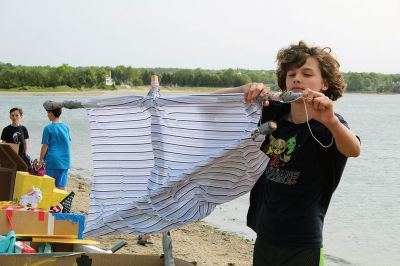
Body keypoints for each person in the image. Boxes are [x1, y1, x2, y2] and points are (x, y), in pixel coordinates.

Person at [213, 41, 361, 265]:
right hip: (265, 233)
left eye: (307, 73)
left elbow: (353, 150)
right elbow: (211, 104)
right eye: (291, 73)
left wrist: (332, 121)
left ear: (324, 84)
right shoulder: (274, 113)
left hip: (303, 242)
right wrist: (242, 90)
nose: (297, 78)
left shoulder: (329, 125)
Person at [40, 107, 71, 190]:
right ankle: (62, 203)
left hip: (52, 160)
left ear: (51, 113)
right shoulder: (66, 127)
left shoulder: (48, 128)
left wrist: (41, 160)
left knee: (48, 186)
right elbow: (67, 142)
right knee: (62, 186)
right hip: (65, 161)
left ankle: (49, 203)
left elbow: (45, 146)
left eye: (48, 113)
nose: (47, 115)